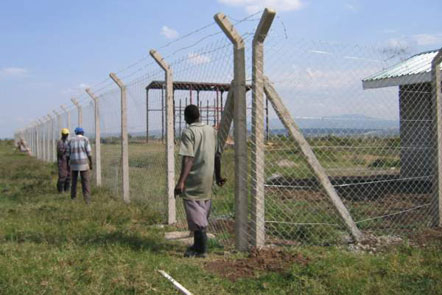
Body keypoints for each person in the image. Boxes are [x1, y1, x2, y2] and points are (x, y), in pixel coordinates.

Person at [175, 105, 226, 258]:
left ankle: (201, 249)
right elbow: (217, 155)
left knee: (196, 215)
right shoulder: (211, 130)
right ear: (199, 116)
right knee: (202, 210)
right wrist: (218, 177)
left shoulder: (189, 132)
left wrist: (181, 182)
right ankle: (197, 246)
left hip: (194, 179)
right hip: (208, 179)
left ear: (186, 118)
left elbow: (189, 158)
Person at [67, 127, 93, 204]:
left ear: (76, 133)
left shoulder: (71, 140)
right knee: (85, 182)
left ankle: (73, 199)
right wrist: (91, 163)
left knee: (74, 182)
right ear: (82, 132)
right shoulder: (85, 139)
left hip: (74, 164)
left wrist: (69, 164)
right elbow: (89, 153)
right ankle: (87, 200)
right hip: (83, 164)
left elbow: (68, 154)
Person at [56, 128, 71, 193]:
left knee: (69, 175)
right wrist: (66, 149)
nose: (66, 135)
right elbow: (60, 152)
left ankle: (67, 189)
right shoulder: (60, 142)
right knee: (62, 175)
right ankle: (60, 190)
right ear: (62, 134)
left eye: (67, 134)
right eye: (65, 134)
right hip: (62, 160)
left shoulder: (68, 141)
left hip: (68, 160)